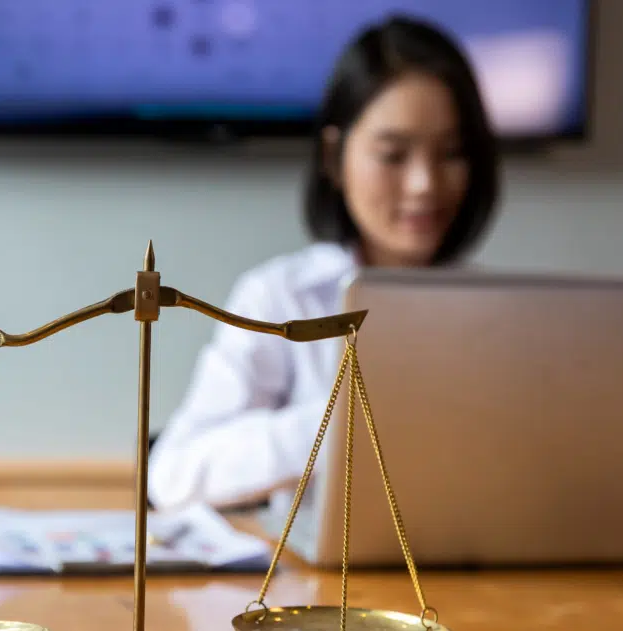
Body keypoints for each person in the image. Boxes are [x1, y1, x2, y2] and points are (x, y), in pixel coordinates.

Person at [148, 16, 500, 510]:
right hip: (320, 585)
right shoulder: (280, 296)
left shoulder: (504, 314)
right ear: (335, 158)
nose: (425, 184)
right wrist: (341, 420)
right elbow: (175, 476)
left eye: (452, 153)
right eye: (394, 155)